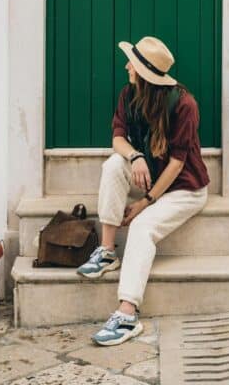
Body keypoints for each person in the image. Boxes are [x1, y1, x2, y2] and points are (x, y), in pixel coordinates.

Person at [77, 36, 210, 347]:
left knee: (141, 227)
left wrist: (145, 204)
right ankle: (108, 252)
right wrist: (135, 156)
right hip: (150, 177)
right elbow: (118, 140)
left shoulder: (184, 105)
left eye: (132, 64)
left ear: (144, 73)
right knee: (113, 164)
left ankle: (127, 313)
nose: (127, 67)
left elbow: (177, 165)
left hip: (183, 189)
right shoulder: (129, 95)